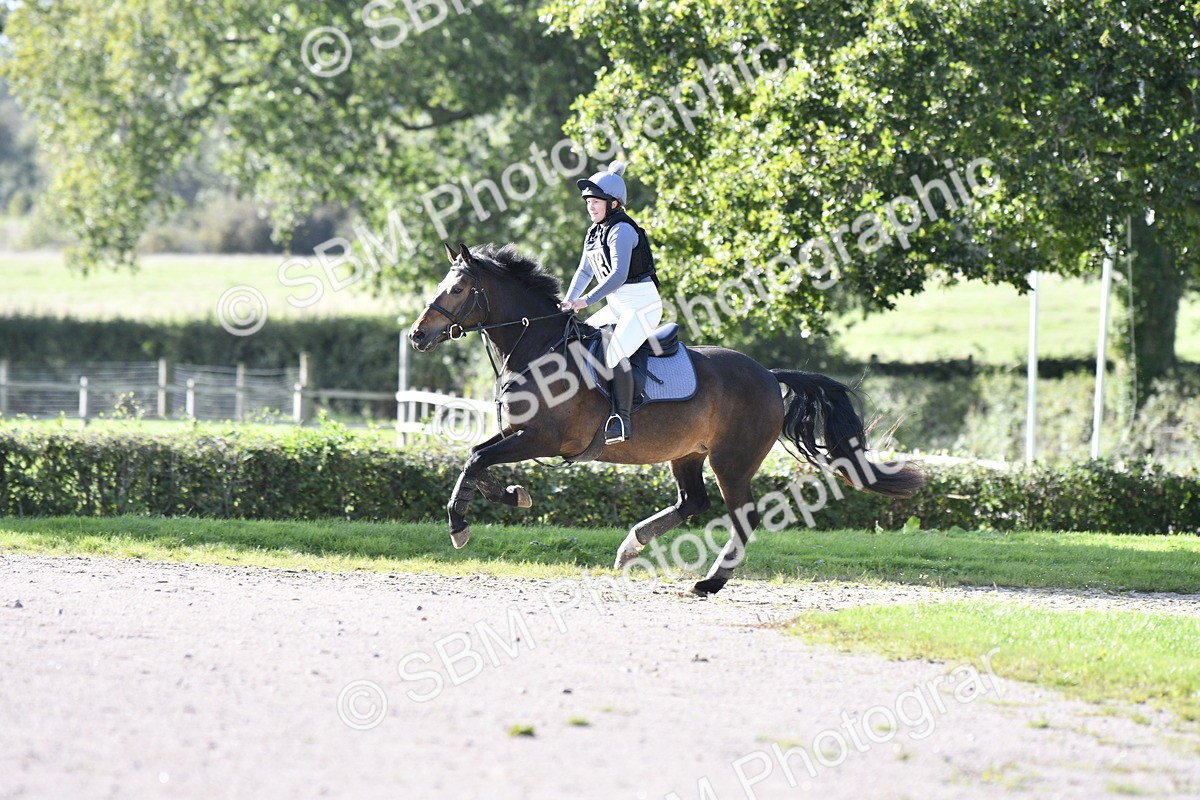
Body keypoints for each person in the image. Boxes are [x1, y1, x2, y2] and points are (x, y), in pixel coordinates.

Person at [559, 161, 663, 444]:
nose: (591, 207)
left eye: (596, 202)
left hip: (642, 306)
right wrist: (567, 303)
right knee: (574, 338)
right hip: (617, 305)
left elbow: (617, 275)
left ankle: (621, 420)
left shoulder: (622, 230)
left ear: (614, 203)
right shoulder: (593, 233)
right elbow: (584, 272)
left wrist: (586, 300)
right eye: (588, 202)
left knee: (614, 355)